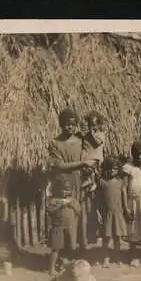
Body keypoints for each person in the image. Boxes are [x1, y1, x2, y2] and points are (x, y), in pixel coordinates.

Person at [48, 108, 97, 253]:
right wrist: (81, 164)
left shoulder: (81, 140)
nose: (71, 127)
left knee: (80, 211)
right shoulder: (55, 143)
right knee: (66, 213)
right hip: (64, 182)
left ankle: (80, 245)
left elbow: (90, 155)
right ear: (61, 125)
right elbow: (60, 165)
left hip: (80, 180)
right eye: (67, 124)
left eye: (73, 124)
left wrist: (88, 170)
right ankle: (66, 248)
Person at [79, 111, 107, 249]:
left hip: (95, 165)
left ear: (99, 125)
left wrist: (90, 133)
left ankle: (97, 233)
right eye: (90, 124)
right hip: (85, 166)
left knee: (96, 203)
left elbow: (96, 143)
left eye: (95, 124)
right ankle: (86, 236)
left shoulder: (100, 135)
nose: (92, 127)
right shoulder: (85, 137)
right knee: (87, 205)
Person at [46, 174, 81, 275]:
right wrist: (60, 205)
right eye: (63, 190)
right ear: (57, 189)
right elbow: (49, 210)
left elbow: (79, 211)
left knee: (68, 247)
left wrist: (72, 205)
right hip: (58, 227)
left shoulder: (72, 200)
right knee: (56, 248)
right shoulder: (54, 200)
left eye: (68, 190)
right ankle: (51, 268)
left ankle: (64, 265)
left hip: (69, 228)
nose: (66, 192)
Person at [98, 156, 129, 267]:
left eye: (115, 168)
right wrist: (98, 212)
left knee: (117, 237)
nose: (112, 171)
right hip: (107, 213)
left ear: (118, 169)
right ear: (105, 169)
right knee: (106, 237)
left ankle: (117, 257)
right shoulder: (102, 182)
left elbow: (124, 197)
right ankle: (105, 259)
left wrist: (126, 209)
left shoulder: (120, 182)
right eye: (109, 168)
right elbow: (99, 198)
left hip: (118, 213)